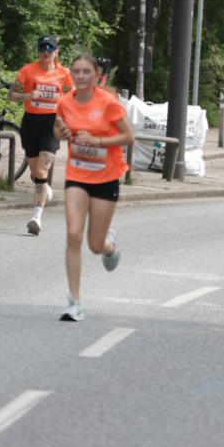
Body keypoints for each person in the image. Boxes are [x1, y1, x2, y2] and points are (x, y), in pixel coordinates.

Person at [54, 53, 135, 322]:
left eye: (85, 71)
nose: (80, 76)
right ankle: (74, 302)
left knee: (94, 244)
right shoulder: (65, 102)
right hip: (77, 174)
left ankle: (110, 246)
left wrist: (98, 142)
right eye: (76, 71)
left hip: (106, 176)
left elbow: (128, 136)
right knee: (73, 234)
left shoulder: (108, 103)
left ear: (95, 74)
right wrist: (61, 133)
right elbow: (58, 127)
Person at [8, 35, 73, 235]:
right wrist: (26, 96)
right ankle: (44, 188)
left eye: (50, 48)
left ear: (56, 52)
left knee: (42, 172)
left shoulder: (64, 73)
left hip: (52, 125)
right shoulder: (27, 71)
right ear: (38, 51)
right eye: (42, 48)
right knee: (37, 173)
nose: (46, 52)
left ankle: (36, 216)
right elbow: (10, 96)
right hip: (30, 123)